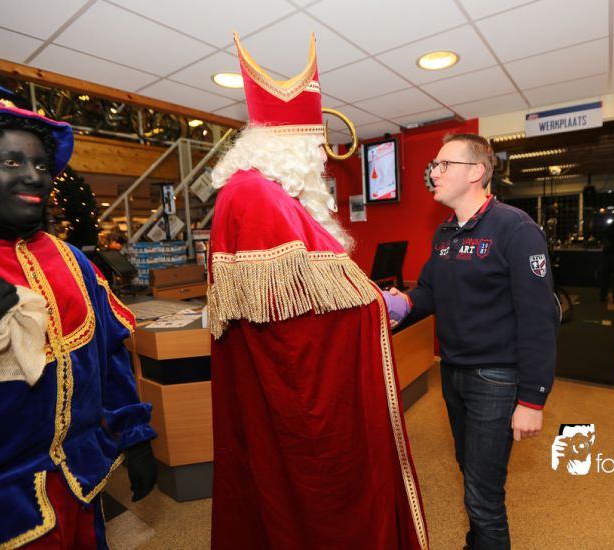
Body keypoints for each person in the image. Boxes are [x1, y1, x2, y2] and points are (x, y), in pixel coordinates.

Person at [206, 34, 428, 550]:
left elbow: (304, 296)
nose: (319, 161)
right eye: (313, 147)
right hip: (299, 409)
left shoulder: (270, 195)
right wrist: (377, 304)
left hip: (283, 405)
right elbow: (292, 330)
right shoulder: (256, 196)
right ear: (292, 145)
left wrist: (367, 297)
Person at [0, 79, 157, 549]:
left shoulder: (71, 259)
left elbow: (108, 357)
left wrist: (134, 435)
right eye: (11, 162)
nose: (35, 176)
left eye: (42, 165)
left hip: (80, 486)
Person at [393, 133, 558, 550]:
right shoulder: (445, 233)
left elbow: (539, 318)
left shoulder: (515, 228)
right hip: (453, 372)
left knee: (483, 496)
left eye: (444, 164)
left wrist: (532, 399)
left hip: (496, 378)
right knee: (470, 470)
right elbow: (430, 291)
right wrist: (401, 303)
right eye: (435, 165)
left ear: (476, 172)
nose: (434, 173)